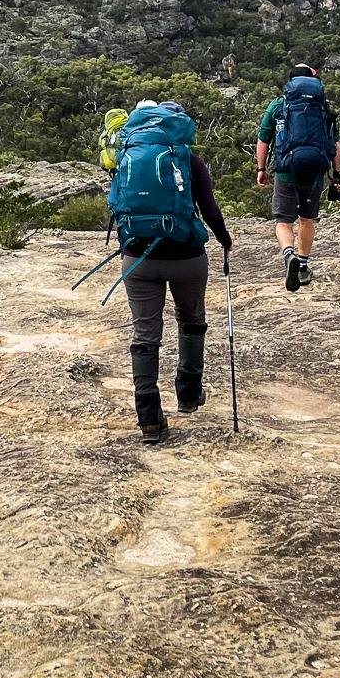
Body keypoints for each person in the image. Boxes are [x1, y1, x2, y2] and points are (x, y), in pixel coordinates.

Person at [106, 99, 233, 444]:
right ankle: (189, 394)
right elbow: (209, 209)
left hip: (138, 257)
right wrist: (223, 239)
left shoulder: (126, 157)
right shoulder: (189, 161)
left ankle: (149, 418)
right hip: (186, 257)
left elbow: (117, 204)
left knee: (145, 335)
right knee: (192, 320)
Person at [255, 61, 340, 292]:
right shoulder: (323, 108)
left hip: (286, 170)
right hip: (315, 171)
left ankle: (288, 255)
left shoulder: (278, 106)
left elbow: (263, 140)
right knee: (307, 219)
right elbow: (335, 146)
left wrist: (261, 169)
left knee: (284, 220)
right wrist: (337, 174)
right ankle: (303, 265)